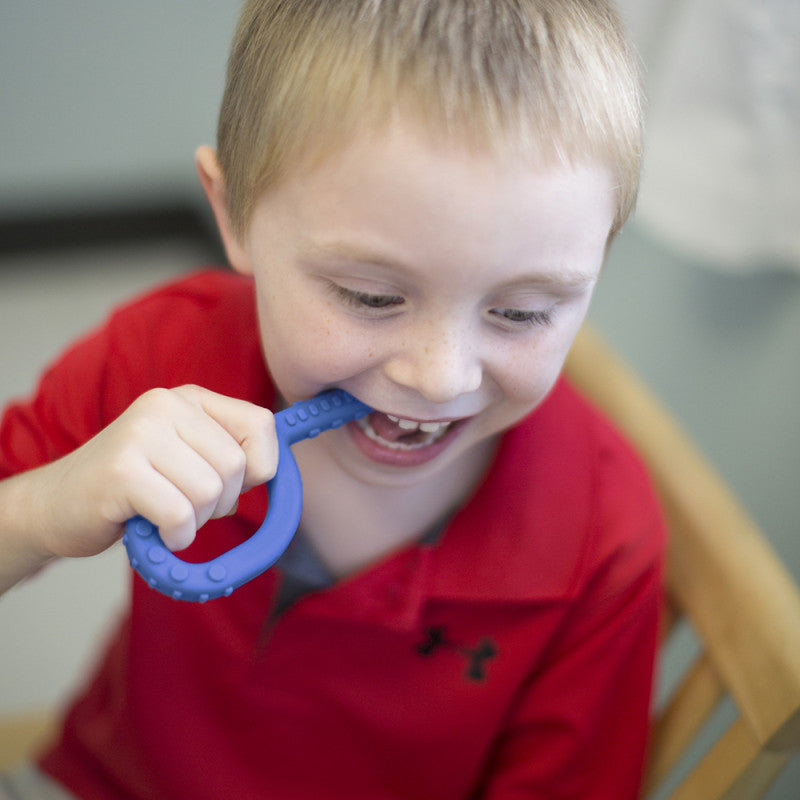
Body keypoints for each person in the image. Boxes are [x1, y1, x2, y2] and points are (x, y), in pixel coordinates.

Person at [0, 1, 665, 798]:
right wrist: (39, 511)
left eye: (522, 312)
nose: (441, 377)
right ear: (233, 214)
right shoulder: (156, 354)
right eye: (370, 296)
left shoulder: (607, 541)